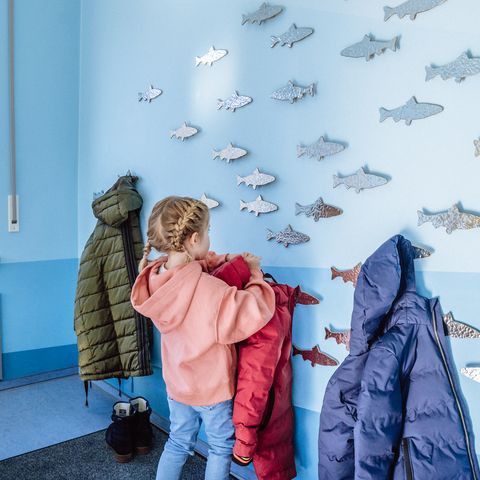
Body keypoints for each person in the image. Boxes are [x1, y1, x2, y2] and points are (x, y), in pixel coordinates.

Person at [131, 196, 275, 480]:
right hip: (211, 389)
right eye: (208, 233)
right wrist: (256, 275)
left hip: (177, 384)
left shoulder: (156, 278)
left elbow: (197, 265)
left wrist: (230, 261)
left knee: (178, 441)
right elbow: (253, 310)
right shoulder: (210, 289)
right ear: (194, 238)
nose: (210, 239)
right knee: (220, 448)